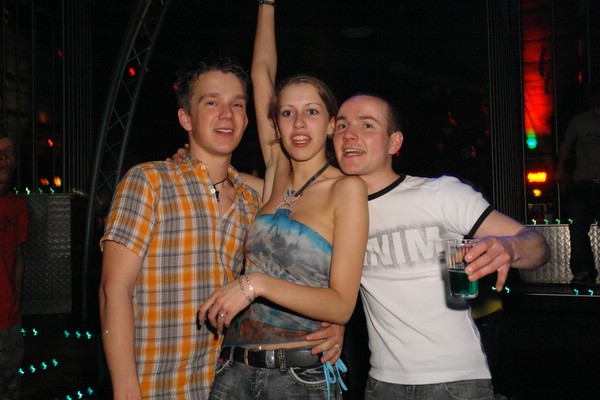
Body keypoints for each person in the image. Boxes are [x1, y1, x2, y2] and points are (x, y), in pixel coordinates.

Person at [196, 2, 369, 399]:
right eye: (288, 113)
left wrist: (254, 284)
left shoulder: (347, 189)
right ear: (276, 123)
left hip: (297, 377)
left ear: (331, 124)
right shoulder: (276, 171)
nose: (299, 123)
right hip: (233, 368)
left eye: (312, 112)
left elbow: (341, 305)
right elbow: (261, 72)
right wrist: (267, 4)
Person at [332, 93, 550, 400]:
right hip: (382, 384)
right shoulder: (335, 213)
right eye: (342, 126)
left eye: (367, 125)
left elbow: (538, 245)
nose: (349, 134)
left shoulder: (440, 194)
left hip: (456, 382)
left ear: (394, 143)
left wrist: (509, 248)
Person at [555, 90, 600, 287]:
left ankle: (584, 271)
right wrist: (560, 167)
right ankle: (583, 271)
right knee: (577, 227)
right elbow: (567, 143)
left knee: (579, 227)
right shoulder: (580, 120)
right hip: (583, 181)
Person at [0, 129, 28, 400]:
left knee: (10, 390)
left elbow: (18, 257)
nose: (3, 159)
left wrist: (15, 299)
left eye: (9, 153)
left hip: (9, 321)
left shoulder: (17, 205)